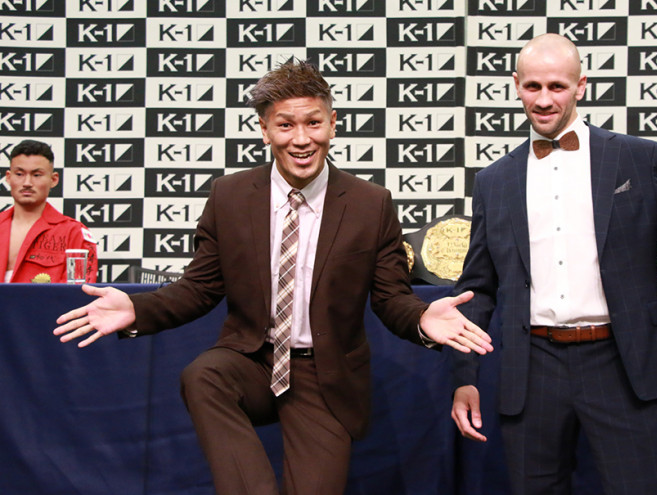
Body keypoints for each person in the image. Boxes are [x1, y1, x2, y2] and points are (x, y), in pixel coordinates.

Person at [54, 59, 493, 495]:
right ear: (265, 130)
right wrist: (137, 308)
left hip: (325, 375)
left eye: (313, 123)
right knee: (202, 376)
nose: (301, 139)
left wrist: (422, 320)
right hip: (252, 361)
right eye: (285, 125)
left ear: (332, 124)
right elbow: (199, 288)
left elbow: (390, 297)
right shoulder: (229, 196)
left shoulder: (370, 204)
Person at [450, 34, 657, 495]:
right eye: (533, 86)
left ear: (581, 86)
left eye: (557, 86)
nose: (543, 100)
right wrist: (464, 377)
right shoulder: (494, 181)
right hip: (532, 369)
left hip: (622, 363)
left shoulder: (636, 157)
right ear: (516, 85)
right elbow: (478, 289)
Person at [1, 139, 98, 284]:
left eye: (37, 175)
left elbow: (80, 291)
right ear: (8, 178)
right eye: (19, 174)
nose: (27, 183)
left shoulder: (74, 233)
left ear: (53, 179)